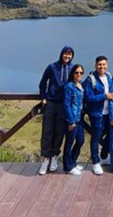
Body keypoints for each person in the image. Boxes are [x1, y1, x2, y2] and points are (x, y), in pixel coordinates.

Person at [37, 45, 75, 175]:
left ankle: (54, 157)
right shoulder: (52, 67)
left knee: (59, 132)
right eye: (65, 54)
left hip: (64, 105)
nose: (67, 56)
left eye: (70, 54)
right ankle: (45, 159)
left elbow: (76, 84)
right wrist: (44, 97)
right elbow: (43, 83)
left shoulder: (73, 69)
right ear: (61, 54)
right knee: (47, 131)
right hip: (51, 103)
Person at [83, 55, 113, 175]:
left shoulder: (109, 76)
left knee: (111, 133)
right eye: (99, 65)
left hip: (109, 113)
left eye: (104, 64)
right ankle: (95, 162)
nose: (102, 67)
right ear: (95, 66)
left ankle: (103, 155)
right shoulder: (90, 80)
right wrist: (105, 96)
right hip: (97, 114)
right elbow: (88, 97)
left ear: (107, 65)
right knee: (96, 137)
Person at [62, 63, 86, 175]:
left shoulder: (80, 84)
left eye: (81, 72)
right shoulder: (69, 86)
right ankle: (68, 167)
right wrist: (71, 121)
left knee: (80, 140)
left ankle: (72, 162)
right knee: (69, 142)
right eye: (76, 72)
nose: (79, 74)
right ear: (72, 73)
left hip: (79, 118)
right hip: (71, 119)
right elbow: (66, 104)